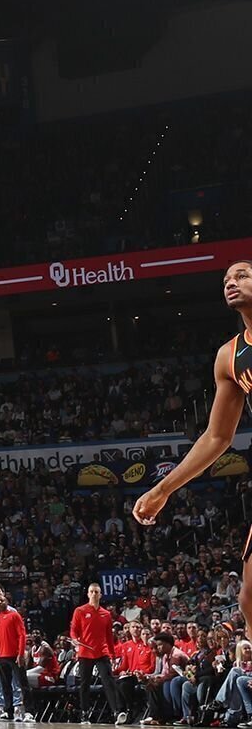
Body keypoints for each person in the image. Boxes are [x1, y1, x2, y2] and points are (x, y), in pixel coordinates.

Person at [135, 261, 252, 626]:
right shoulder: (229, 357)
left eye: (243, 275)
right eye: (226, 280)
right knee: (250, 599)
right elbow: (217, 437)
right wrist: (162, 489)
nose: (231, 283)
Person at [70, 581, 125, 724]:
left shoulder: (106, 614)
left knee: (109, 682)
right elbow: (73, 630)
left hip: (102, 652)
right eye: (91, 591)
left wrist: (112, 655)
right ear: (88, 594)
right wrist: (75, 639)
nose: (94, 594)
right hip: (85, 652)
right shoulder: (80, 611)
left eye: (96, 592)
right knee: (85, 684)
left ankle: (116, 712)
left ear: (100, 595)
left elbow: (109, 637)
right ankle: (84, 713)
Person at [0, 585, 33, 721]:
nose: (0, 602)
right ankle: (8, 712)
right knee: (5, 685)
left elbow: (21, 635)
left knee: (22, 684)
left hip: (15, 656)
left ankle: (28, 712)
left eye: (2, 600)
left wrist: (20, 654)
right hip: (2, 657)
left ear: (7, 601)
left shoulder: (14, 615)